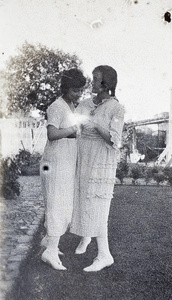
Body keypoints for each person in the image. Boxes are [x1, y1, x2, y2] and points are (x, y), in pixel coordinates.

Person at [70, 65, 125, 272]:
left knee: (98, 205)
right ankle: (86, 236)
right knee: (82, 200)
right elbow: (74, 127)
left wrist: (93, 123)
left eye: (95, 79)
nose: (91, 82)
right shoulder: (83, 104)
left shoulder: (117, 108)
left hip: (101, 158)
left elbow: (116, 140)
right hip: (83, 155)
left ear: (106, 84)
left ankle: (104, 255)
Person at [40, 68, 86, 270]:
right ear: (66, 88)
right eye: (75, 90)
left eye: (81, 91)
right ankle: (49, 252)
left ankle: (48, 243)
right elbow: (52, 134)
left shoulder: (69, 107)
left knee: (59, 203)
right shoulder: (57, 107)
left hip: (63, 162)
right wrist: (73, 131)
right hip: (55, 162)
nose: (79, 95)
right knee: (57, 204)